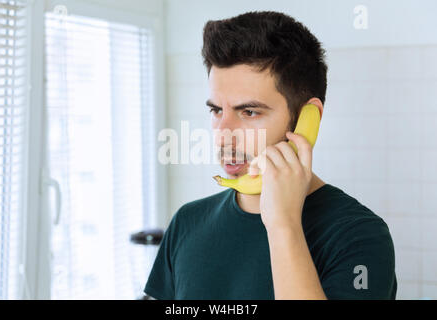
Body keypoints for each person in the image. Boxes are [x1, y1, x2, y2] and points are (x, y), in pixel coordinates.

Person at [144, 11, 397, 300]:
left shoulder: (360, 237)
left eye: (249, 112)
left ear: (306, 119)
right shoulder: (187, 222)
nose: (223, 133)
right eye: (216, 111)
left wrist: (283, 225)